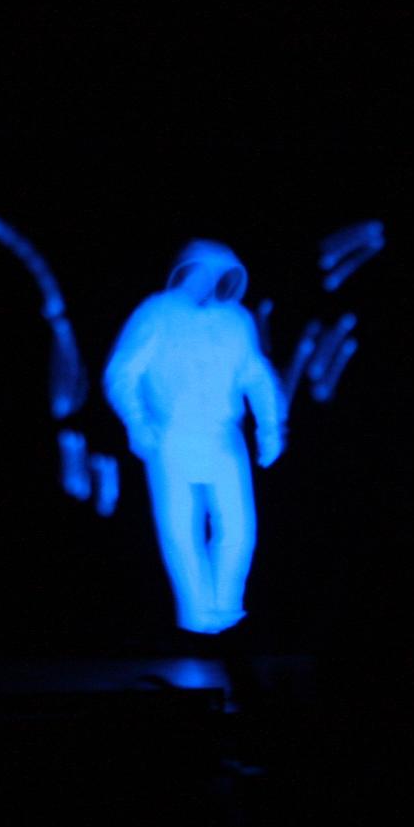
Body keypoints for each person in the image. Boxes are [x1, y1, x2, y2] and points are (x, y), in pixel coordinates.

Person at [105, 240, 286, 635]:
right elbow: (122, 372)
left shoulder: (236, 321)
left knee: (239, 527)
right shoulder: (157, 313)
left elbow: (256, 375)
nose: (211, 281)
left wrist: (270, 427)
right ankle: (196, 617)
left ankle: (227, 610)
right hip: (171, 436)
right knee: (179, 529)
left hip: (224, 436)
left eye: (219, 275)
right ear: (188, 269)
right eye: (205, 272)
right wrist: (137, 422)